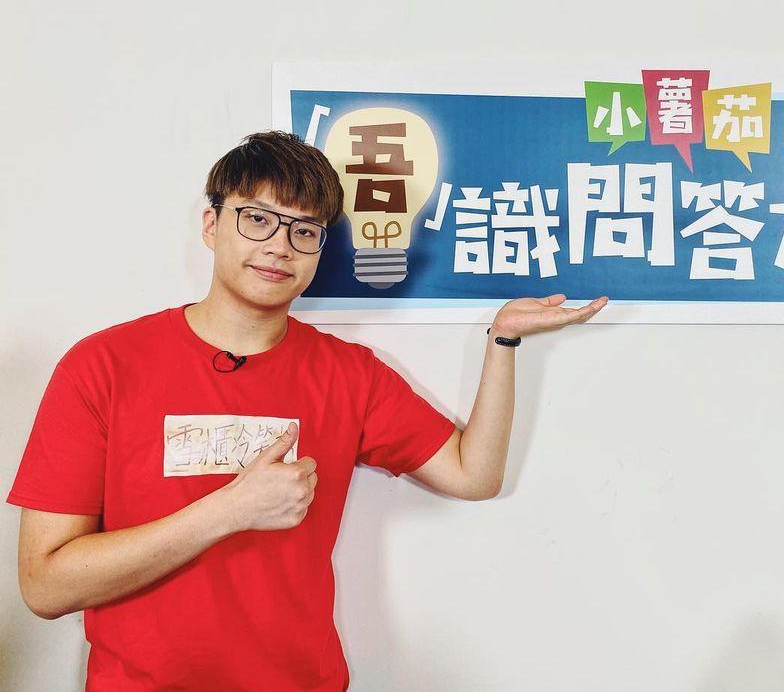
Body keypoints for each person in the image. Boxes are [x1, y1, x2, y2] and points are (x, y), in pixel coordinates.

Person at [6, 130, 609, 691]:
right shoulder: (104, 365)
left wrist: (502, 341)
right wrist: (227, 511)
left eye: (304, 230)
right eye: (257, 218)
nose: (279, 246)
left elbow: (473, 475)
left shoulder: (349, 374)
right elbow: (45, 585)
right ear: (212, 224)